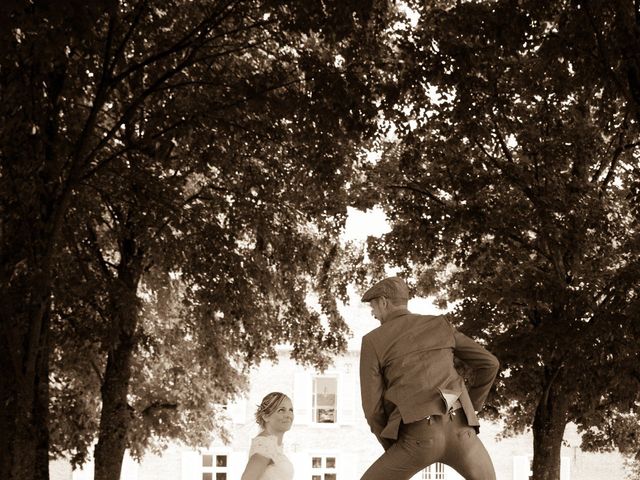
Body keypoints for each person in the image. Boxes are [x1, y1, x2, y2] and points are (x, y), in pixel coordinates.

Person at [359, 276, 500, 480]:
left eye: (373, 307)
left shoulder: (373, 341)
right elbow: (490, 363)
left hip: (418, 438)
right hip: (462, 432)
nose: (373, 314)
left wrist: (392, 445)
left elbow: (373, 411)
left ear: (383, 302)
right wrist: (472, 408)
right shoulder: (440, 325)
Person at [241, 392, 295, 480]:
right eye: (281, 410)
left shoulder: (272, 446)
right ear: (265, 416)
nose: (288, 415)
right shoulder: (265, 446)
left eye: (291, 410)